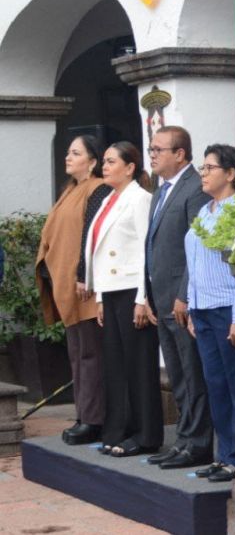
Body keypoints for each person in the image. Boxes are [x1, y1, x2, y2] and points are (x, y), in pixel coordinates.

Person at [84, 141, 162, 457]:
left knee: (139, 365)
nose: (105, 166)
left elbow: (147, 250)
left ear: (130, 167)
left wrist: (144, 298)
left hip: (133, 290)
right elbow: (100, 252)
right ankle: (118, 430)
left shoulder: (140, 199)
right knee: (115, 364)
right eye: (104, 161)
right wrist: (100, 296)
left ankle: (145, 435)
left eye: (112, 161)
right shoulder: (107, 199)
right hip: (112, 290)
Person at [145, 125, 213, 470]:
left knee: (192, 372)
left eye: (158, 149)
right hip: (161, 298)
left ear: (180, 154)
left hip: (182, 300)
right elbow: (153, 247)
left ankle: (198, 443)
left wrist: (184, 295)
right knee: (176, 374)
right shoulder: (160, 191)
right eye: (151, 148)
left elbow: (196, 248)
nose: (152, 154)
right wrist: (149, 294)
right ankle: (183, 439)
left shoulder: (193, 190)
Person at [35, 135, 110, 446]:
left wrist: (82, 275)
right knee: (77, 354)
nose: (68, 157)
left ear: (92, 161)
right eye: (68, 152)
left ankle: (94, 420)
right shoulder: (71, 190)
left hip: (85, 288)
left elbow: (90, 238)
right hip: (68, 286)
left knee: (91, 354)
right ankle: (83, 414)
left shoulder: (97, 189)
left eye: (75, 153)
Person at [184, 144, 235, 483]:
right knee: (216, 385)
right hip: (204, 310)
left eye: (210, 168)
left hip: (227, 310)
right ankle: (223, 454)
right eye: (203, 168)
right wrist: (193, 308)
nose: (204, 173)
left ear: (230, 173)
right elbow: (196, 265)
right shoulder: (204, 211)